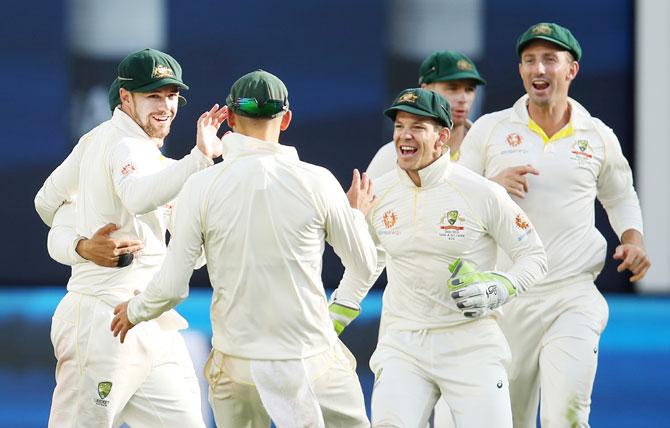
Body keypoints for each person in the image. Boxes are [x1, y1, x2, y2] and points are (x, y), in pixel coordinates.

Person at [110, 69, 378, 428]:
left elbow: (173, 286)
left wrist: (135, 310)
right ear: (285, 120)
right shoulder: (319, 182)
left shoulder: (200, 186)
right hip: (311, 357)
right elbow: (364, 265)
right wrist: (336, 317)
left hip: (237, 364)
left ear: (230, 120)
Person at [458, 22, 651, 427]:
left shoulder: (597, 135)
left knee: (568, 415)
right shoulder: (492, 129)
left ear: (571, 70)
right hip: (506, 297)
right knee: (508, 418)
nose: (538, 69)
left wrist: (633, 240)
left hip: (572, 294)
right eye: (529, 61)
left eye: (549, 59)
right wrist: (491, 187)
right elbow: (453, 200)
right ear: (521, 70)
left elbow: (619, 196)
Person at [34, 48, 227, 427]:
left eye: (171, 96)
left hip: (150, 319)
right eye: (153, 95)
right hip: (102, 320)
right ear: (125, 97)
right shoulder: (116, 143)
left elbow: (46, 202)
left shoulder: (148, 158)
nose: (166, 106)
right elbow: (135, 197)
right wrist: (82, 246)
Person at [335, 87, 547, 427]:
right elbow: (367, 264)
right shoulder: (380, 192)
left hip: (471, 344)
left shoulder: (482, 192)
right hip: (404, 344)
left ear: (442, 138)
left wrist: (497, 287)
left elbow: (534, 256)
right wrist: (332, 319)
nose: (404, 135)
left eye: (418, 127)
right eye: (400, 125)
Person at [366, 50, 486, 179]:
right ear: (426, 90)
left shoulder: (489, 146)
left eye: (470, 90)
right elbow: (364, 199)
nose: (463, 99)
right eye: (452, 88)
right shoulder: (390, 155)